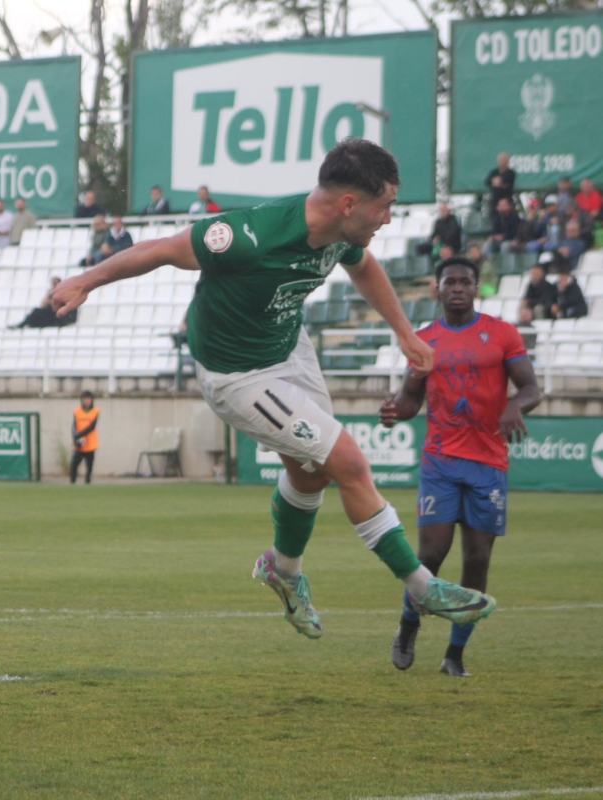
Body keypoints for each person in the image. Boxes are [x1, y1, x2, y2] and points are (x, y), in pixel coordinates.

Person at [52, 138, 498, 641]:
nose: (389, 218)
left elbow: (364, 267)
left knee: (311, 475)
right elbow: (160, 250)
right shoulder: (248, 235)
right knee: (349, 461)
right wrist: (85, 282)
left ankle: (282, 571)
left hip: (289, 348)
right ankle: (422, 586)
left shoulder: (341, 230)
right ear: (350, 203)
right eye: (386, 206)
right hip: (238, 375)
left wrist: (404, 332)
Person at [380, 256, 541, 678]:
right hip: (442, 460)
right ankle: (408, 625)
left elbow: (530, 387)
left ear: (475, 288)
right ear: (437, 289)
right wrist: (398, 410)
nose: (457, 287)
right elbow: (411, 398)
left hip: (488, 463)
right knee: (431, 554)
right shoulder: (424, 340)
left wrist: (513, 407)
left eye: (464, 281)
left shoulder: (502, 333)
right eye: (449, 281)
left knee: (477, 559)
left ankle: (455, 654)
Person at [70, 391, 99, 485]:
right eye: (85, 399)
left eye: (89, 399)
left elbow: (91, 427)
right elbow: (74, 426)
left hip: (90, 443)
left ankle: (87, 482)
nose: (87, 401)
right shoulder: (77, 412)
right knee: (74, 464)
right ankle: (72, 482)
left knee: (89, 466)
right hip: (80, 444)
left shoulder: (95, 411)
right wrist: (75, 437)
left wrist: (79, 435)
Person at [518, 258, 557, 323]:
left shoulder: (547, 286)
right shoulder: (531, 285)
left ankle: (539, 325)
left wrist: (530, 302)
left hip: (545, 309)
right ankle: (521, 324)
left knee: (538, 308)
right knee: (522, 306)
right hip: (532, 306)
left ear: (542, 273)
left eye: (536, 273)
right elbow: (527, 297)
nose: (534, 275)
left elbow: (545, 301)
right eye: (533, 273)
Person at [484, 152, 515, 217]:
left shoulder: (511, 173)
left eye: (504, 160)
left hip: (507, 202)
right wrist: (499, 183)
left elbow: (505, 181)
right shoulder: (494, 172)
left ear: (508, 161)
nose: (502, 162)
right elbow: (487, 182)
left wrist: (497, 182)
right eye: (501, 160)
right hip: (495, 203)